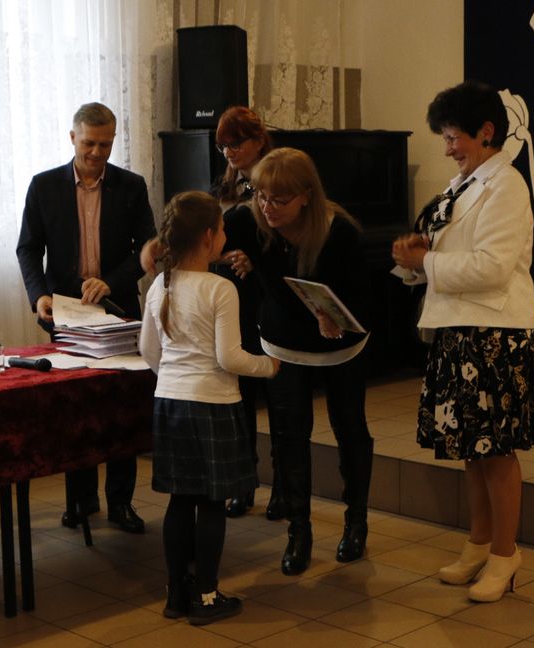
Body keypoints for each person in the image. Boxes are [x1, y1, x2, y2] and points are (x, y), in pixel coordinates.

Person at [392, 80, 534, 603]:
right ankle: (479, 544)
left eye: (453, 136)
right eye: (444, 137)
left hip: (495, 333)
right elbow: (443, 260)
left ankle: (506, 554)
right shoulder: (460, 185)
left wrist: (428, 261)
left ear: (486, 131)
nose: (447, 148)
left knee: (496, 451)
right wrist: (415, 261)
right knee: (472, 448)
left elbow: (492, 267)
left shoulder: (507, 185)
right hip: (458, 328)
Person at [138, 191, 279, 625]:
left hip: (170, 403)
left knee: (180, 501)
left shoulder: (160, 285)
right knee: (213, 505)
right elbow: (229, 358)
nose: (225, 236)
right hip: (213, 405)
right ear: (207, 237)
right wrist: (268, 366)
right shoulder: (221, 288)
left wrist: (175, 377)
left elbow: (148, 351)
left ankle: (176, 594)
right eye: (221, 229)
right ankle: (207, 596)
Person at [16, 101, 155, 534]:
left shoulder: (131, 186)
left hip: (118, 310)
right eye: (90, 143)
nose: (97, 152)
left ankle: (121, 502)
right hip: (67, 312)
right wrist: (39, 296)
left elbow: (148, 248)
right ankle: (80, 500)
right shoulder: (44, 186)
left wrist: (111, 282)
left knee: (120, 410)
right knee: (76, 409)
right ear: (72, 137)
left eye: (106, 144)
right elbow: (28, 248)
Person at [235, 147, 374, 575]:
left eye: (279, 199)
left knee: (349, 430)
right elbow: (206, 233)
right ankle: (299, 531)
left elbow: (364, 298)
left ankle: (356, 522)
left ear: (306, 196)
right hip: (283, 343)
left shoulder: (340, 233)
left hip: (340, 344)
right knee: (289, 436)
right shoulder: (252, 220)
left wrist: (334, 317)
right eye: (260, 195)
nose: (267, 207)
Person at [143, 106, 285, 521]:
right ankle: (242, 483)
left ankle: (281, 487)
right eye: (223, 146)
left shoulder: (272, 181)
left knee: (268, 400)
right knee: (240, 398)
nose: (229, 152)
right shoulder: (225, 184)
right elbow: (208, 243)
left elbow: (275, 245)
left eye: (236, 144)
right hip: (221, 291)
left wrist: (252, 259)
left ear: (258, 140)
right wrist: (225, 257)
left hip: (257, 294)